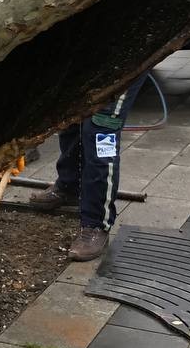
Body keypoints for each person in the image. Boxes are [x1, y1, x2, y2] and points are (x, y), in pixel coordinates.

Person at [30, 74, 150, 261]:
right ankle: (70, 187)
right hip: (88, 59)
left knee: (101, 131)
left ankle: (96, 223)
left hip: (125, 64)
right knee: (71, 119)